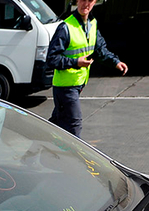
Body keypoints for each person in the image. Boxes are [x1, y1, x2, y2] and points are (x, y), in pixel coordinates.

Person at [47, 0, 128, 138]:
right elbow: (51, 59)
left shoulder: (92, 24)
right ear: (77, 1)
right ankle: (74, 157)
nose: (86, 4)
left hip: (78, 85)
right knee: (74, 124)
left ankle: (39, 146)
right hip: (65, 87)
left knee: (58, 122)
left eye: (90, 0)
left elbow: (99, 49)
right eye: (83, 0)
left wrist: (115, 62)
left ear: (95, 2)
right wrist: (76, 62)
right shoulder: (66, 27)